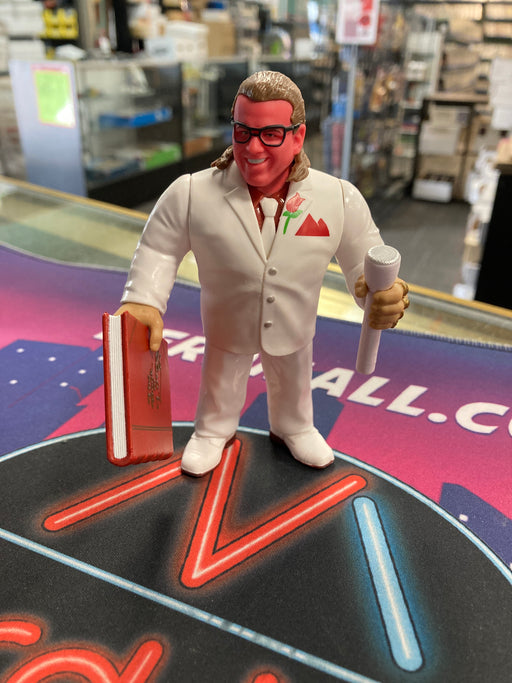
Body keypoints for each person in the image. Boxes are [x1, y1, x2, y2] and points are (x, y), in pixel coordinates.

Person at [114, 71, 409, 477]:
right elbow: (159, 248)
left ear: (298, 137)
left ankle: (294, 425)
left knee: (294, 377)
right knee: (221, 377)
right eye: (243, 132)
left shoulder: (338, 198)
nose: (253, 148)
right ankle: (212, 429)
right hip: (227, 321)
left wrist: (380, 295)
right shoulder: (192, 193)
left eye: (270, 134)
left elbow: (365, 265)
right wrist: (143, 299)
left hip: (294, 323)